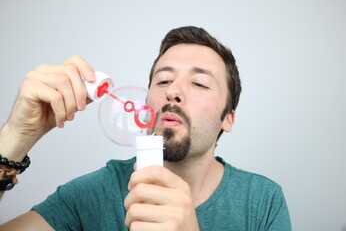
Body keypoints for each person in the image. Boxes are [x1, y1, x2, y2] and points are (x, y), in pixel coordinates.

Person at [0, 26, 292, 230]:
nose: (173, 92)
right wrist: (15, 136)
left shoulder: (263, 200)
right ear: (146, 101)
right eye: (163, 81)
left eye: (199, 83)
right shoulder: (95, 193)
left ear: (228, 118)